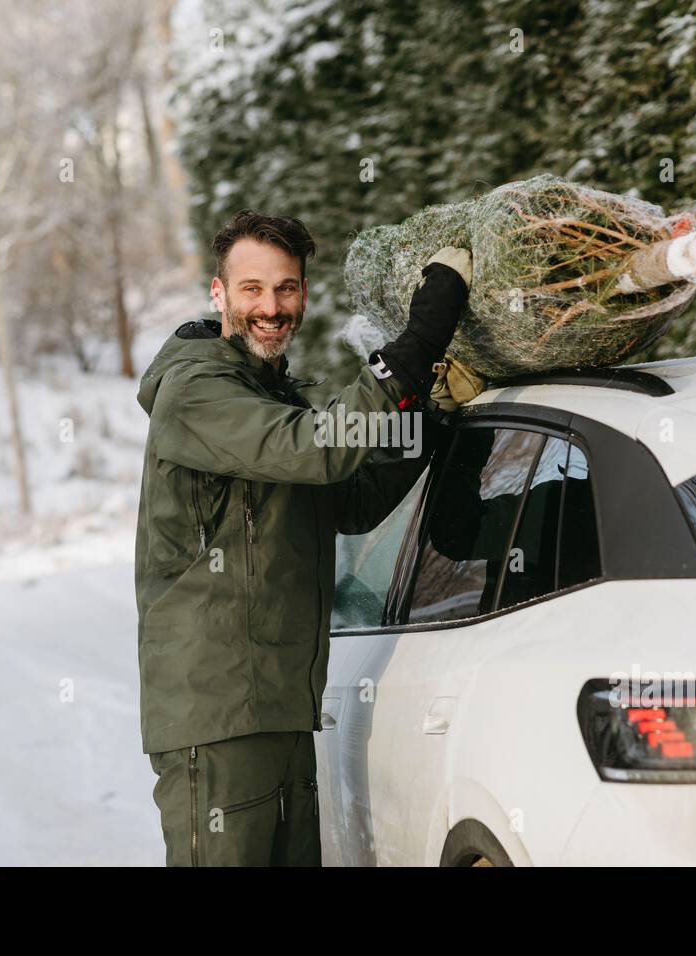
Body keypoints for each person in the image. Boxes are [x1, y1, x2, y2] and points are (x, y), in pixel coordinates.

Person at [135, 208, 473, 865]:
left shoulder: (270, 397)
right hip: (221, 716)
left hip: (283, 706)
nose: (271, 307)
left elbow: (351, 498)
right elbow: (321, 448)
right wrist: (413, 348)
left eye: (285, 288)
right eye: (252, 289)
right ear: (219, 293)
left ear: (304, 296)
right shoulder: (196, 392)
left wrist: (428, 416)